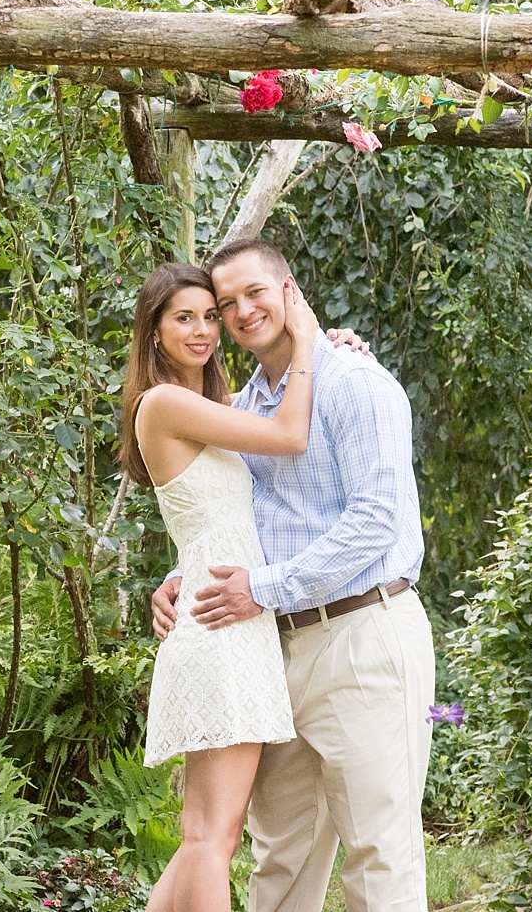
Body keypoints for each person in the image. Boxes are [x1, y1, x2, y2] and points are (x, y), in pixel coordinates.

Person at [150, 237, 432, 912]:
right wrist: (181, 574)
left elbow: (375, 520)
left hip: (364, 636)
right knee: (280, 861)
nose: (243, 311)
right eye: (226, 303)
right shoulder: (247, 409)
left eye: (255, 292)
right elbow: (241, 518)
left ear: (289, 289)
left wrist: (260, 588)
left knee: (379, 855)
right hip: (273, 652)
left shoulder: (355, 382)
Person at [119, 261, 320, 912]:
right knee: (214, 837)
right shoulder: (166, 403)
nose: (204, 329)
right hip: (221, 627)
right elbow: (289, 432)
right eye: (185, 316)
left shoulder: (207, 407)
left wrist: (338, 347)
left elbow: (219, 518)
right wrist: (311, 340)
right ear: (154, 330)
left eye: (210, 315)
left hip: (218, 614)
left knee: (202, 835)